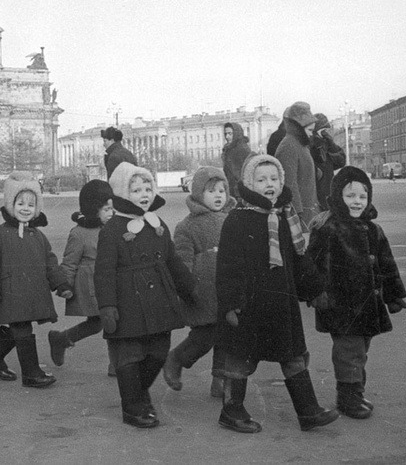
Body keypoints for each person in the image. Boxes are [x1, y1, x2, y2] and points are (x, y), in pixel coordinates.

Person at [215, 154, 336, 434]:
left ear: (281, 181)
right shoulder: (237, 220)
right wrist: (232, 304)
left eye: (274, 178)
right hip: (248, 307)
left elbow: (298, 258)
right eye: (261, 179)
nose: (269, 184)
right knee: (240, 359)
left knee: (293, 356)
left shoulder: (285, 217)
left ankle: (308, 411)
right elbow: (228, 266)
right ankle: (231, 411)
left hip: (282, 305)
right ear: (249, 183)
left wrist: (315, 289)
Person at [95, 162, 196, 428]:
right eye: (136, 189)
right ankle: (132, 408)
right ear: (121, 193)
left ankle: (139, 395)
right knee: (129, 355)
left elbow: (171, 259)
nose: (143, 194)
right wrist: (107, 306)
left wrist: (188, 288)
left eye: (147, 187)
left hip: (159, 298)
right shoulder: (112, 229)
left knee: (158, 352)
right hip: (127, 302)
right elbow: (104, 271)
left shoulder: (156, 222)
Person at [307, 166, 406, 419]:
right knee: (349, 352)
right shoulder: (328, 228)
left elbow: (387, 264)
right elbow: (313, 264)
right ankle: (348, 398)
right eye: (350, 196)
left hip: (368, 305)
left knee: (361, 350)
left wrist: (393, 295)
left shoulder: (374, 230)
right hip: (340, 305)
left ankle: (356, 392)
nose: (357, 202)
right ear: (338, 197)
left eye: (362, 196)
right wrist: (316, 292)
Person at [0, 173, 72, 388]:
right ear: (10, 204)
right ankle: (31, 373)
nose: (25, 208)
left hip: (31, 293)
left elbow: (50, 262)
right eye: (20, 203)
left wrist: (61, 283)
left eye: (31, 204)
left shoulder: (38, 236)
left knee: (17, 328)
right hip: (9, 291)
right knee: (22, 329)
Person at [164, 166, 233, 399]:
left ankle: (220, 380)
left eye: (222, 190)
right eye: (211, 191)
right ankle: (177, 358)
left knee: (227, 336)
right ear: (197, 194)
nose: (218, 195)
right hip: (201, 292)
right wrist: (187, 288)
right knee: (204, 337)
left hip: (227, 290)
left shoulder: (232, 220)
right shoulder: (187, 226)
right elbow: (181, 261)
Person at [48, 179, 115, 369]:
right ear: (93, 209)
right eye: (105, 209)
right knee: (102, 322)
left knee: (107, 322)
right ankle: (62, 339)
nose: (111, 213)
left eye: (112, 208)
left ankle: (62, 339)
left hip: (110, 283)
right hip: (92, 287)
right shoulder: (79, 233)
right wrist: (65, 285)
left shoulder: (112, 227)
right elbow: (69, 263)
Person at [273, 101, 319, 228]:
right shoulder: (288, 146)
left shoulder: (300, 144)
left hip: (308, 211)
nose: (311, 134)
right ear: (299, 127)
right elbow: (289, 185)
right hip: (300, 216)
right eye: (310, 130)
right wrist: (298, 215)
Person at [308, 113, 345, 210]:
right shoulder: (311, 144)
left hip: (328, 186)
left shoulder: (327, 142)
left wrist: (330, 144)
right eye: (323, 130)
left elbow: (341, 161)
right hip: (318, 189)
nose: (326, 132)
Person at [221, 123, 251, 200]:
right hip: (232, 191)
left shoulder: (242, 149)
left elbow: (246, 172)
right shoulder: (229, 149)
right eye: (225, 134)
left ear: (237, 133)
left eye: (230, 133)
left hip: (240, 193)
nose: (227, 137)